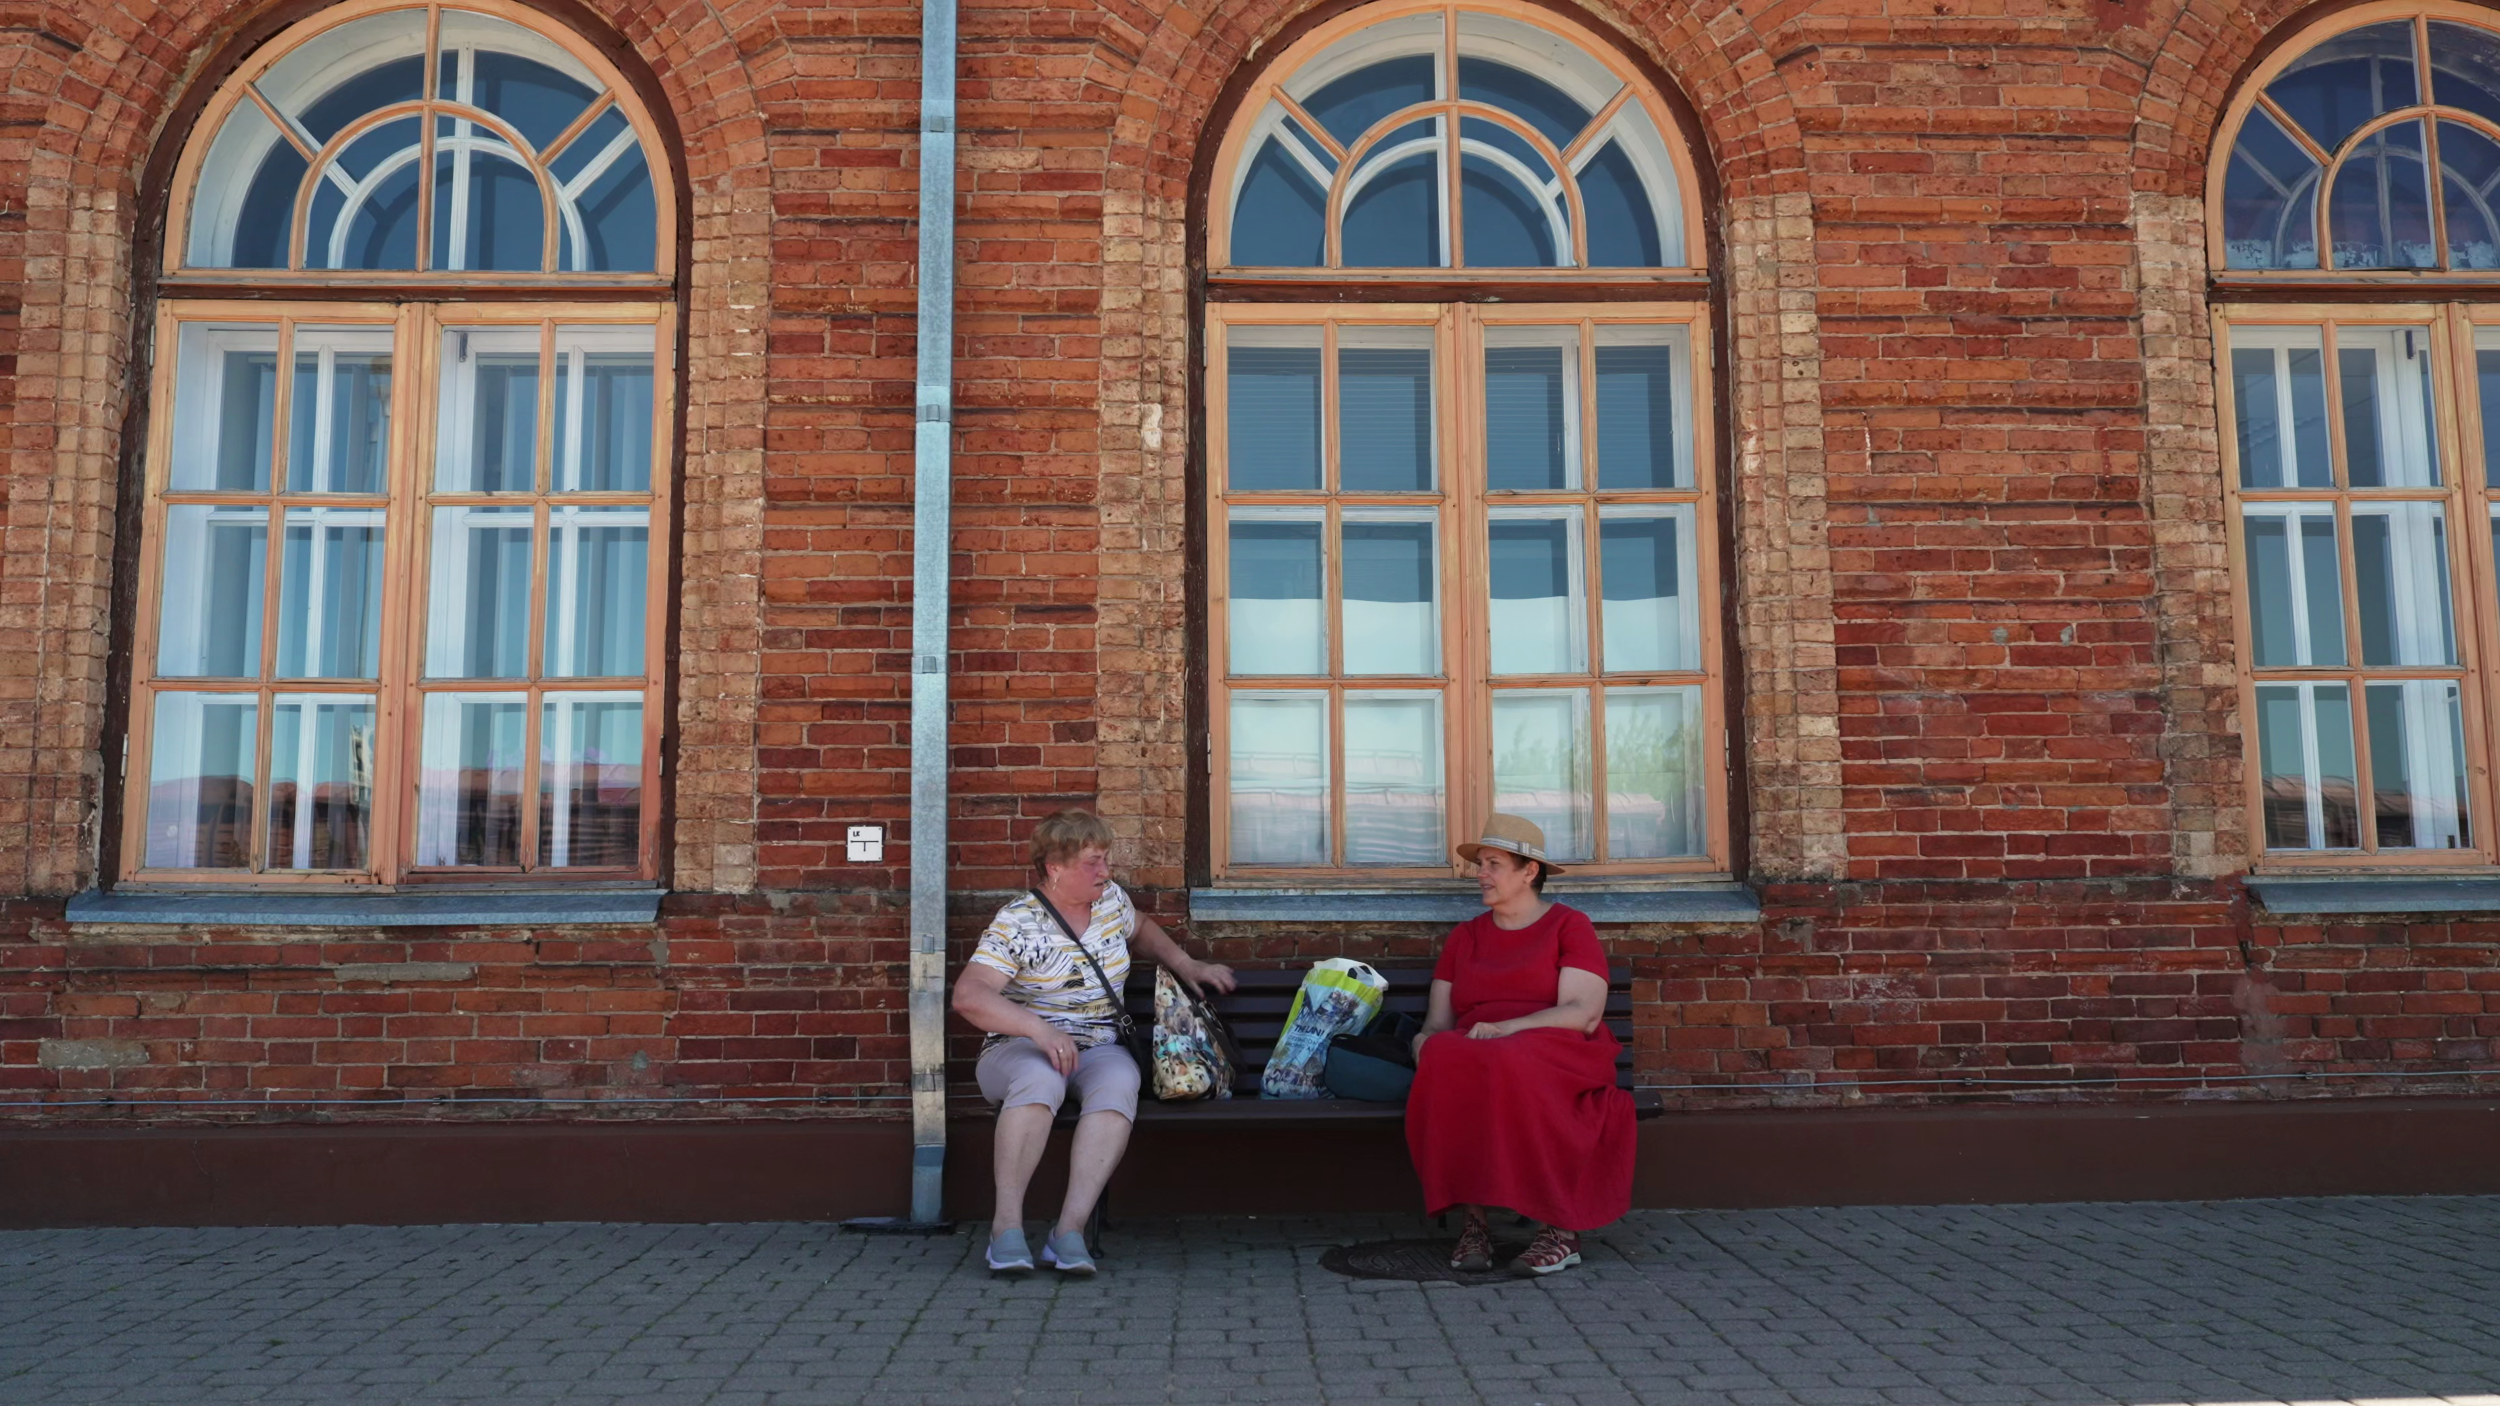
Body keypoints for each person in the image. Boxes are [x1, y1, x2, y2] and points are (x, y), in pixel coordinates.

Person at [950, 808, 1236, 1274]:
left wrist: (1189, 966)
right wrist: (1040, 1030)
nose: (1105, 871)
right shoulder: (1018, 922)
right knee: (1040, 1082)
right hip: (1018, 1048)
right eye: (1091, 862)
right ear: (1054, 868)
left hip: (1099, 1044)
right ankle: (1006, 1229)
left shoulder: (1111, 902)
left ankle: (1069, 1232)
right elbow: (969, 995)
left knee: (1119, 1083)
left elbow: (1140, 928)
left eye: (1105, 859)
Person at [1404, 813, 1635, 1275]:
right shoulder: (1465, 937)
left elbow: (1582, 1012)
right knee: (1448, 1056)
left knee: (1509, 1060)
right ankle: (1474, 1223)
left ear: (1529, 871)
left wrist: (1508, 1029)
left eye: (1493, 864)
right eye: (1480, 864)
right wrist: (1424, 1045)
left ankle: (1559, 1231)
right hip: (1478, 1052)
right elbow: (1438, 1023)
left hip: (1558, 1050)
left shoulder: (1569, 926)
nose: (1481, 874)